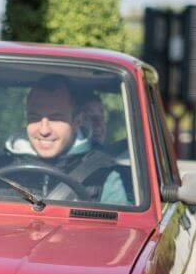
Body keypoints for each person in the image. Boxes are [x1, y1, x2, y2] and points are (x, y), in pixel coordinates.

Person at [23, 75, 129, 205]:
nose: (44, 131)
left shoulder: (104, 176)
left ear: (77, 122)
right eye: (34, 118)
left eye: (56, 118)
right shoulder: (2, 170)